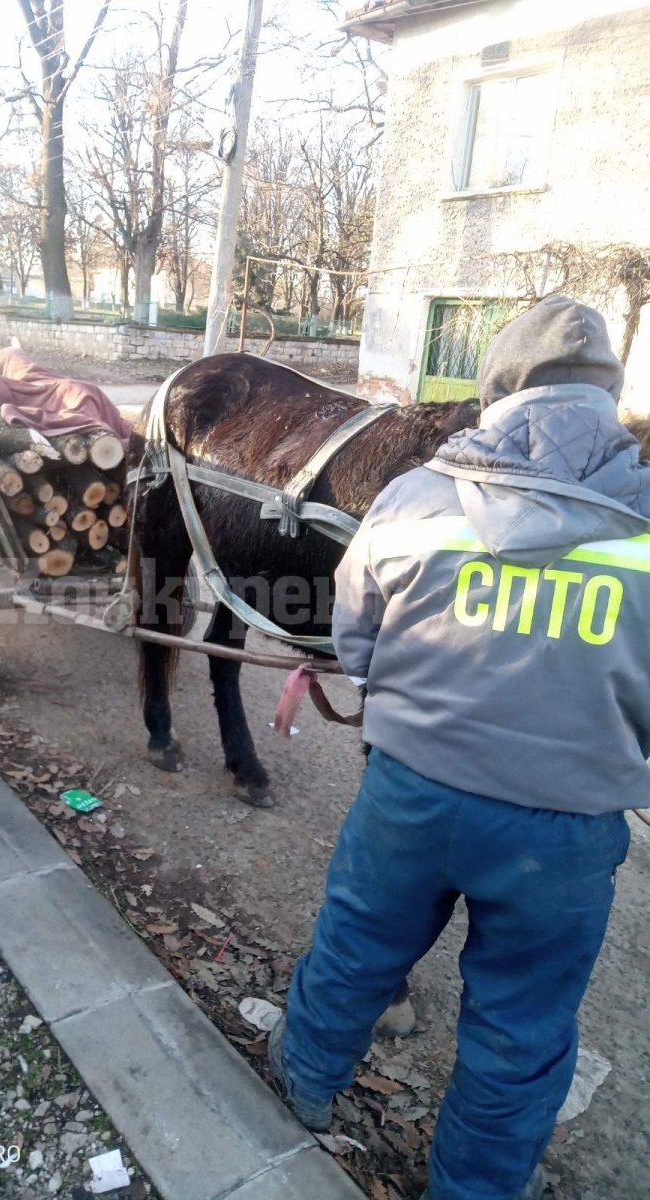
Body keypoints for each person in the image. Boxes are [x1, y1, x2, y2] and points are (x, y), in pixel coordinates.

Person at [268, 296, 646, 1200]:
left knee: (357, 946)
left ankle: (305, 1084)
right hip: (563, 832)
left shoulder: (415, 499)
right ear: (606, 396)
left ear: (497, 391)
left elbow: (355, 640)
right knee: (521, 1029)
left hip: (412, 794)